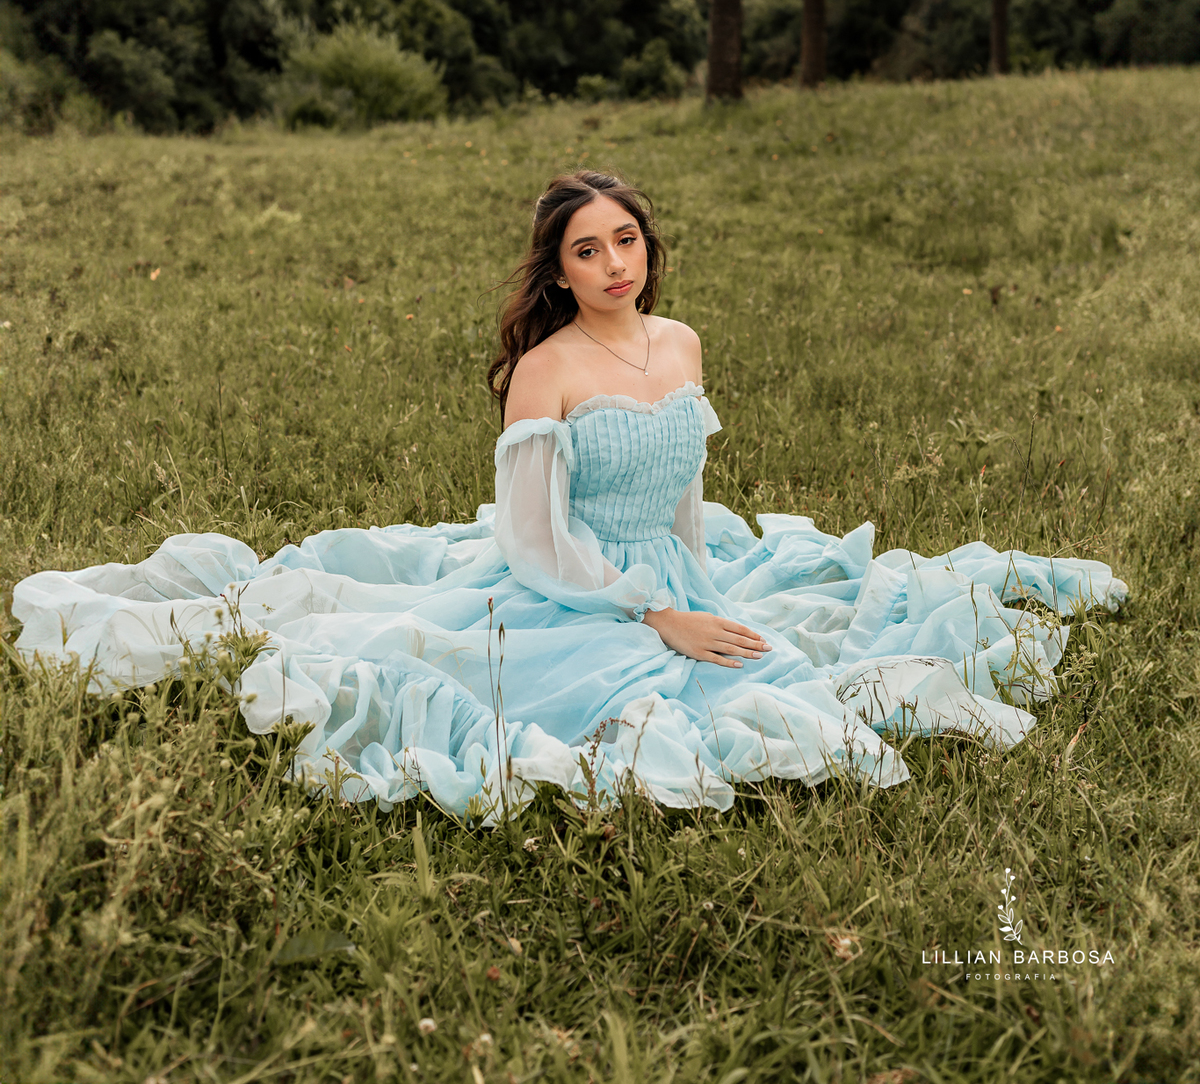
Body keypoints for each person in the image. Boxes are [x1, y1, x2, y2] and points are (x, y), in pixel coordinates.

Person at [13, 170, 1126, 819]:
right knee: (677, 703)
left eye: (626, 241)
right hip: (571, 586)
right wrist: (653, 609)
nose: (613, 264)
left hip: (674, 563)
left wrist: (703, 575)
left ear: (648, 246)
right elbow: (535, 545)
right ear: (556, 273)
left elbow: (688, 489)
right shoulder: (547, 370)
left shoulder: (681, 340)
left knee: (797, 651)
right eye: (586, 251)